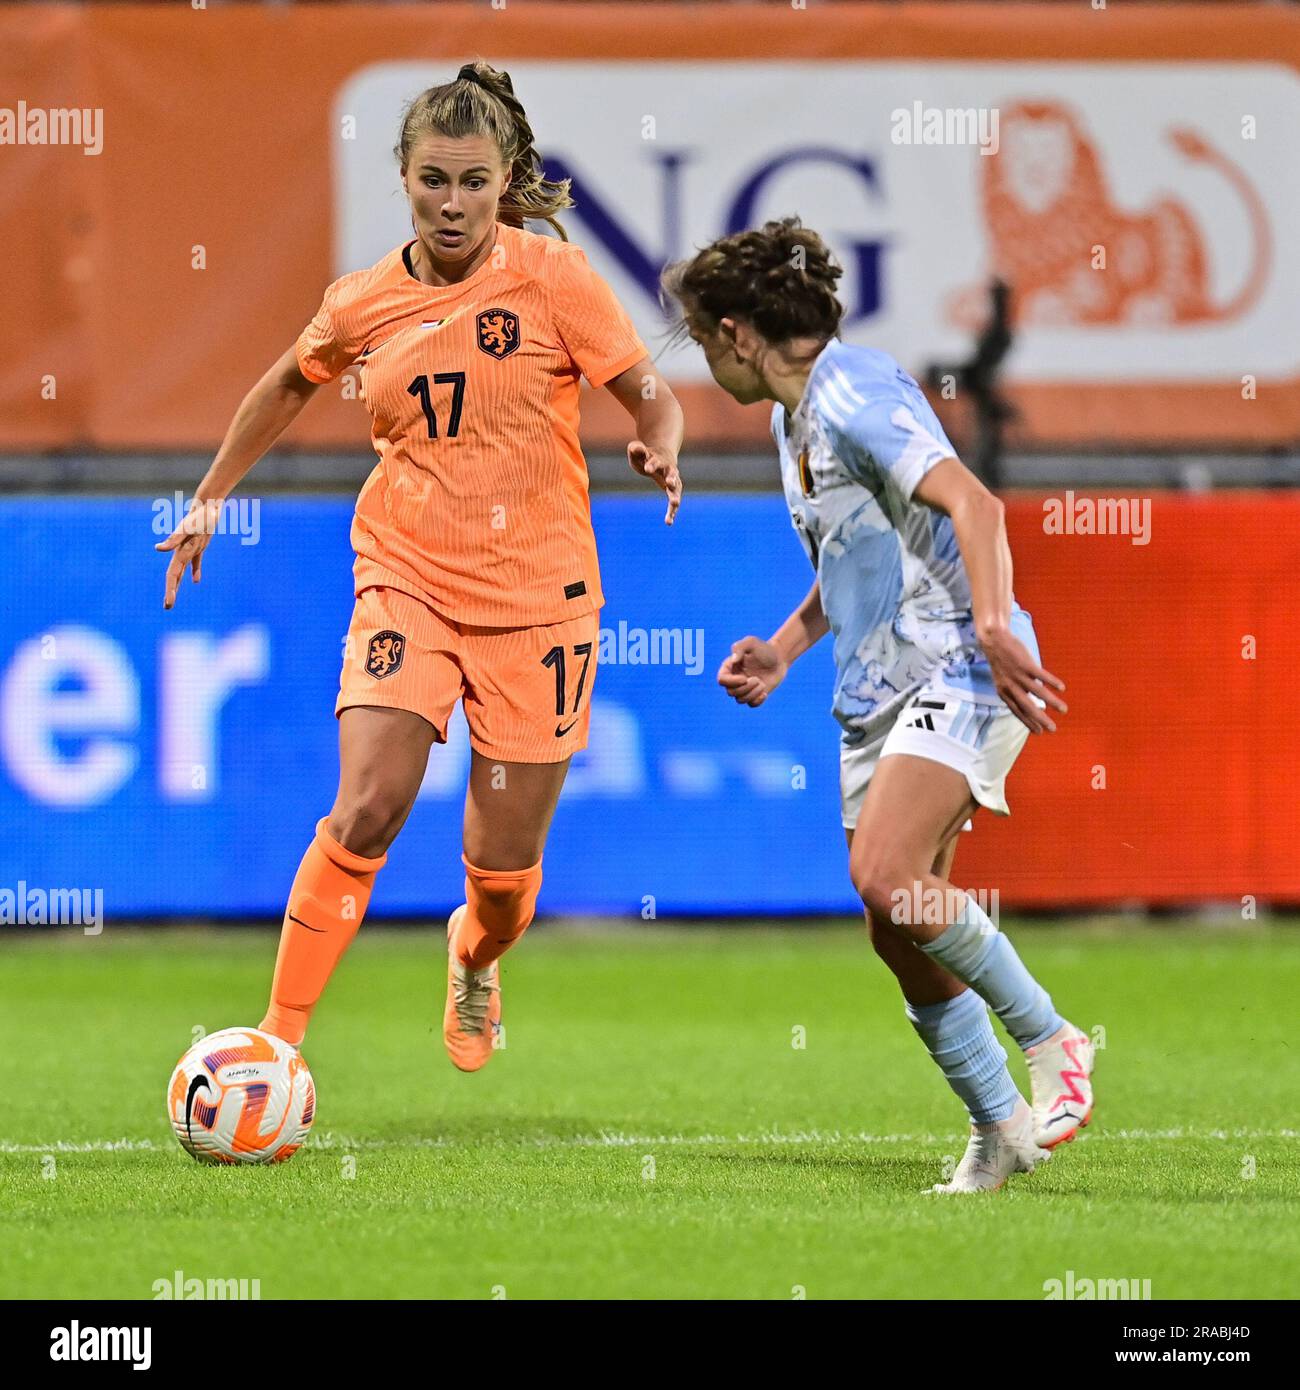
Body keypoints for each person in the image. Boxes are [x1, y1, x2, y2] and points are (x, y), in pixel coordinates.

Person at [158, 61, 683, 1074]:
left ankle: (473, 953)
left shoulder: (552, 278)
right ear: (402, 174)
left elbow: (649, 391)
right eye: (434, 180)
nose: (453, 203)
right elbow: (284, 383)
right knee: (368, 800)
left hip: (540, 597)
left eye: (475, 182)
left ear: (506, 181)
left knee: (499, 877)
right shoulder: (362, 303)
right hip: (408, 574)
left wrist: (661, 442)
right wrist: (210, 493)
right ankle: (278, 1039)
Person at [662, 217, 1092, 1193]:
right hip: (878, 690)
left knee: (887, 870)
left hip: (957, 662)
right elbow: (853, 555)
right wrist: (782, 645)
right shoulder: (794, 418)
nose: (703, 363)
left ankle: (1055, 1040)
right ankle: (999, 1129)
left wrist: (990, 620)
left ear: (738, 334)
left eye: (702, 340)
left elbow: (972, 505)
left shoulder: (852, 393)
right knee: (894, 923)